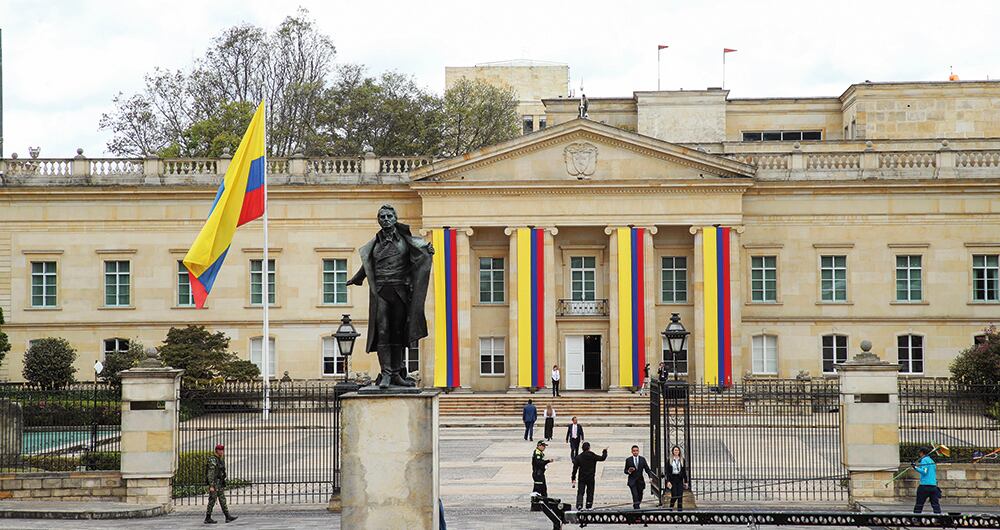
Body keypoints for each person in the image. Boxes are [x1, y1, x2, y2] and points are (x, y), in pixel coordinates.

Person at [346, 204, 434, 389]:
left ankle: (397, 374)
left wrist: (427, 253)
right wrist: (357, 278)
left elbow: (419, 257)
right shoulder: (375, 244)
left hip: (400, 291)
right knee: (383, 332)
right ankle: (386, 373)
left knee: (399, 333)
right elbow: (368, 264)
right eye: (382, 217)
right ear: (378, 220)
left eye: (389, 216)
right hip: (381, 292)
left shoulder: (406, 241)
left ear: (395, 219)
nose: (385, 219)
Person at [205, 444, 237, 524]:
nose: (222, 452)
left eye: (223, 450)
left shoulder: (220, 459)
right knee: (212, 500)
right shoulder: (213, 460)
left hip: (219, 483)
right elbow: (210, 474)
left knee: (222, 500)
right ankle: (207, 518)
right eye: (221, 450)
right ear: (217, 451)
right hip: (215, 484)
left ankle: (227, 516)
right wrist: (211, 485)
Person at [571, 441, 608, 510]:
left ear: (582, 448)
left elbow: (575, 469)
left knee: (580, 492)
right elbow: (602, 458)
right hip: (590, 477)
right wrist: (604, 451)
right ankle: (589, 504)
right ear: (589, 448)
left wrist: (573, 478)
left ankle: (579, 505)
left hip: (582, 477)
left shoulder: (579, 457)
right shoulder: (592, 455)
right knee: (590, 492)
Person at [912, 446, 942, 514]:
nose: (919, 454)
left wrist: (915, 467)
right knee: (935, 504)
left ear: (922, 453)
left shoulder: (924, 460)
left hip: (924, 486)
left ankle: (916, 518)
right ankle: (938, 518)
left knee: (919, 504)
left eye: (920, 453)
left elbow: (924, 471)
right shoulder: (932, 461)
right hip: (933, 486)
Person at [624, 445, 654, 509]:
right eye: (634, 451)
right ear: (631, 451)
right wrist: (629, 471)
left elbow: (647, 469)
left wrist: (650, 477)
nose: (635, 452)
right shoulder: (628, 460)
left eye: (636, 451)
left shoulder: (642, 459)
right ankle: (637, 510)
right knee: (635, 495)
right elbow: (625, 470)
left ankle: (636, 505)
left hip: (640, 481)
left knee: (640, 496)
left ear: (638, 451)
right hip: (632, 481)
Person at [665, 445, 688, 511]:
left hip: (679, 478)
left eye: (677, 450)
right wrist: (668, 481)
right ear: (673, 451)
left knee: (680, 495)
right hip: (672, 479)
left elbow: (684, 471)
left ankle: (680, 510)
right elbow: (667, 472)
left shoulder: (682, 459)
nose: (676, 451)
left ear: (679, 451)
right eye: (675, 450)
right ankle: (671, 507)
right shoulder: (670, 460)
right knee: (674, 495)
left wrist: (686, 481)